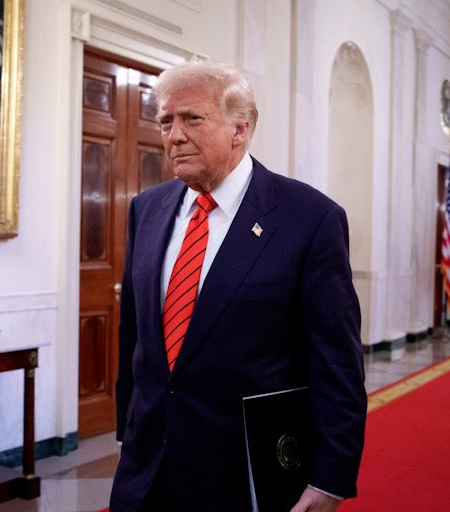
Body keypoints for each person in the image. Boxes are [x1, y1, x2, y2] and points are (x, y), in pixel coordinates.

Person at [110, 60, 367, 512]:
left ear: (240, 129)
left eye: (192, 118)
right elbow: (133, 338)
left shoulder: (309, 219)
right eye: (166, 121)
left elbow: (337, 364)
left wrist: (330, 478)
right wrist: (126, 433)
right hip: (147, 470)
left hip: (247, 475)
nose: (174, 135)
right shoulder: (145, 210)